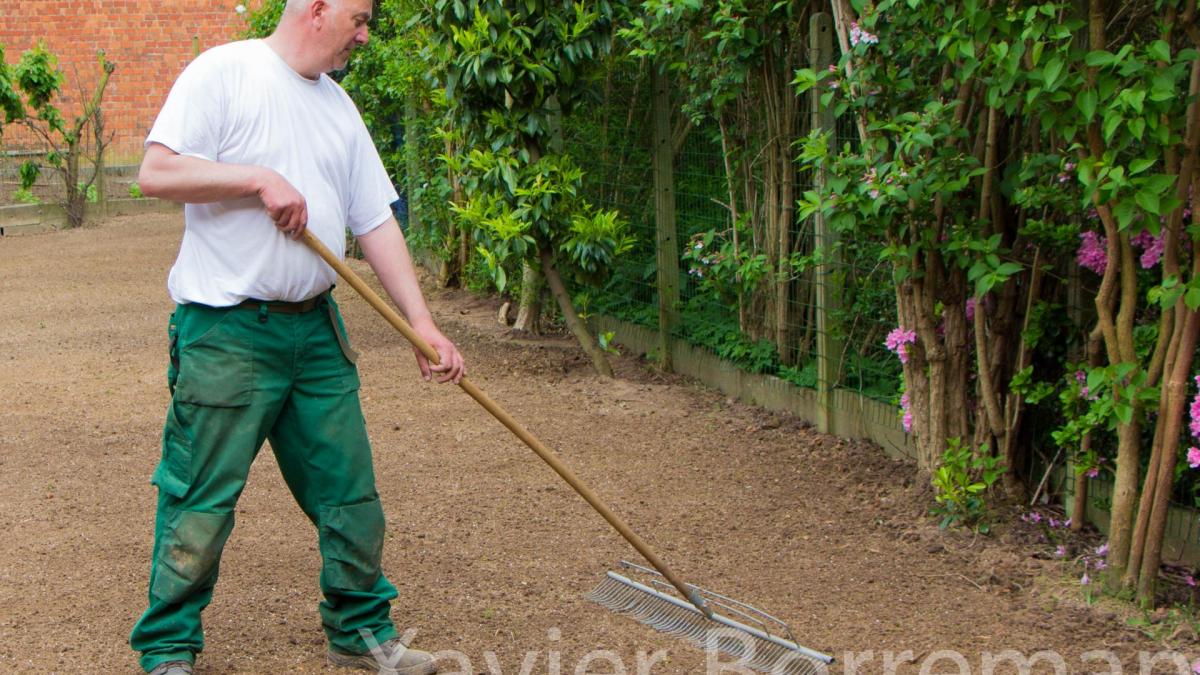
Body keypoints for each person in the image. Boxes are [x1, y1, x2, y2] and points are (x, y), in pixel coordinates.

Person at [128, 1, 462, 673]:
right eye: (360, 18)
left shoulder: (339, 108)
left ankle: (360, 628)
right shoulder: (224, 72)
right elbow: (156, 173)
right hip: (226, 333)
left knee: (350, 492)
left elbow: (374, 221)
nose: (365, 35)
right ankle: (167, 647)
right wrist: (256, 178)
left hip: (314, 332)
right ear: (318, 9)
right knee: (200, 497)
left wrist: (419, 322)